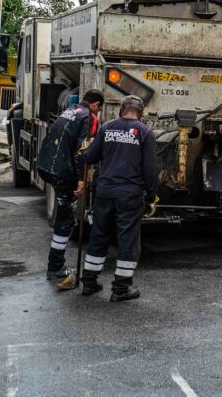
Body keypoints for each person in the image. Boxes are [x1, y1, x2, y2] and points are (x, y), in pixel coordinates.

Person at [80, 95, 158, 302]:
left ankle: (89, 282)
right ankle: (121, 289)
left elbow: (90, 157)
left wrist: (85, 149)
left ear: (122, 109)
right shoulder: (145, 133)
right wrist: (151, 195)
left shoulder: (106, 127)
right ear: (140, 112)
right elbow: (151, 169)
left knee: (99, 235)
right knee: (127, 240)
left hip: (104, 192)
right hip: (130, 195)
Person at [37, 89, 104, 288]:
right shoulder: (89, 117)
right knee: (66, 219)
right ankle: (56, 267)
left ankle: (55, 265)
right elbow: (82, 150)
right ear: (96, 105)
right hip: (62, 172)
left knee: (64, 215)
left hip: (46, 166)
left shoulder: (70, 110)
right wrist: (81, 179)